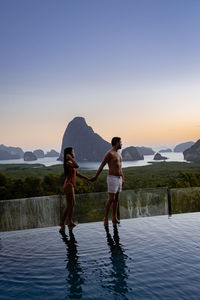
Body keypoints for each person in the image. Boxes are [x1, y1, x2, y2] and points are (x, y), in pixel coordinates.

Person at [89, 137, 124, 226]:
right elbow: (102, 165)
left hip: (119, 178)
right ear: (116, 143)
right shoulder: (109, 153)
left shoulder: (119, 154)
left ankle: (114, 217)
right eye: (120, 142)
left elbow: (120, 167)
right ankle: (105, 218)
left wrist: (122, 178)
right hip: (112, 178)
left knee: (116, 199)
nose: (122, 144)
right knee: (111, 198)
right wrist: (96, 176)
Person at [59, 147, 89, 231]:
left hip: (70, 185)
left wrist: (87, 178)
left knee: (72, 204)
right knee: (69, 204)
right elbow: (77, 165)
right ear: (69, 154)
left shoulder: (70, 162)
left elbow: (77, 173)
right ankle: (62, 222)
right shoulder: (68, 162)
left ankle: (69, 221)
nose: (74, 153)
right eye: (73, 152)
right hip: (68, 185)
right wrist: (70, 157)